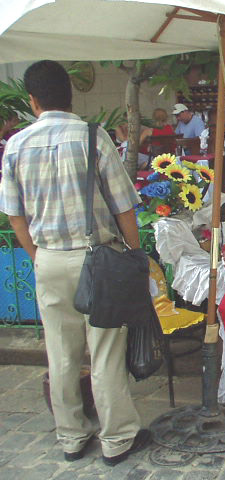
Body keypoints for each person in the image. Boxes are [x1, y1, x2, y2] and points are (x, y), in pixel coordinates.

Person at [0, 60, 151, 465]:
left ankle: (71, 436)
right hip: (96, 260)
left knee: (61, 352)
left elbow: (14, 215)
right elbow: (123, 209)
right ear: (71, 94)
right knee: (103, 351)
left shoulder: (15, 145)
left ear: (33, 100)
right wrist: (135, 256)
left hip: (48, 259)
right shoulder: (92, 136)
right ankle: (116, 439)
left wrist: (37, 256)